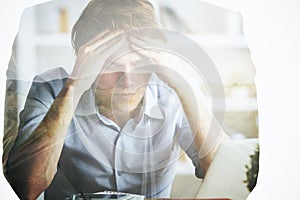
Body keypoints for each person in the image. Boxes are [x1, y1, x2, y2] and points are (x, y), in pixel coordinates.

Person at [4, 0, 229, 199]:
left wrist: (184, 85)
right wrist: (74, 87)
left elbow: (230, 175)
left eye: (140, 65)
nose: (129, 81)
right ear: (86, 60)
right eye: (112, 66)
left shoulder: (171, 95)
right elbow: (25, 188)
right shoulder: (50, 90)